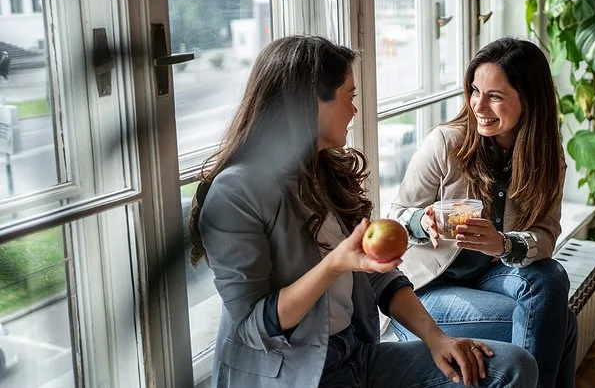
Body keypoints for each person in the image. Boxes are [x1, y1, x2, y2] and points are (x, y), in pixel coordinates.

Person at [187, 35, 538, 387]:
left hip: (355, 354)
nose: (355, 110)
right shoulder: (236, 191)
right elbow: (254, 328)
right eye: (349, 97)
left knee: (512, 366)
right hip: (295, 373)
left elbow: (378, 277)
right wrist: (334, 264)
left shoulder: (327, 172)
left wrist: (437, 339)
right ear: (310, 103)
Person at [387, 37, 578, 388]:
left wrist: (504, 245)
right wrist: (420, 220)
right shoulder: (446, 143)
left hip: (493, 276)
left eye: (495, 96)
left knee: (550, 276)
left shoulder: (548, 156)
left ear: (529, 100)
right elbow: (397, 212)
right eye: (475, 91)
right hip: (427, 290)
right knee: (562, 323)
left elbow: (547, 233)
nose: (479, 105)